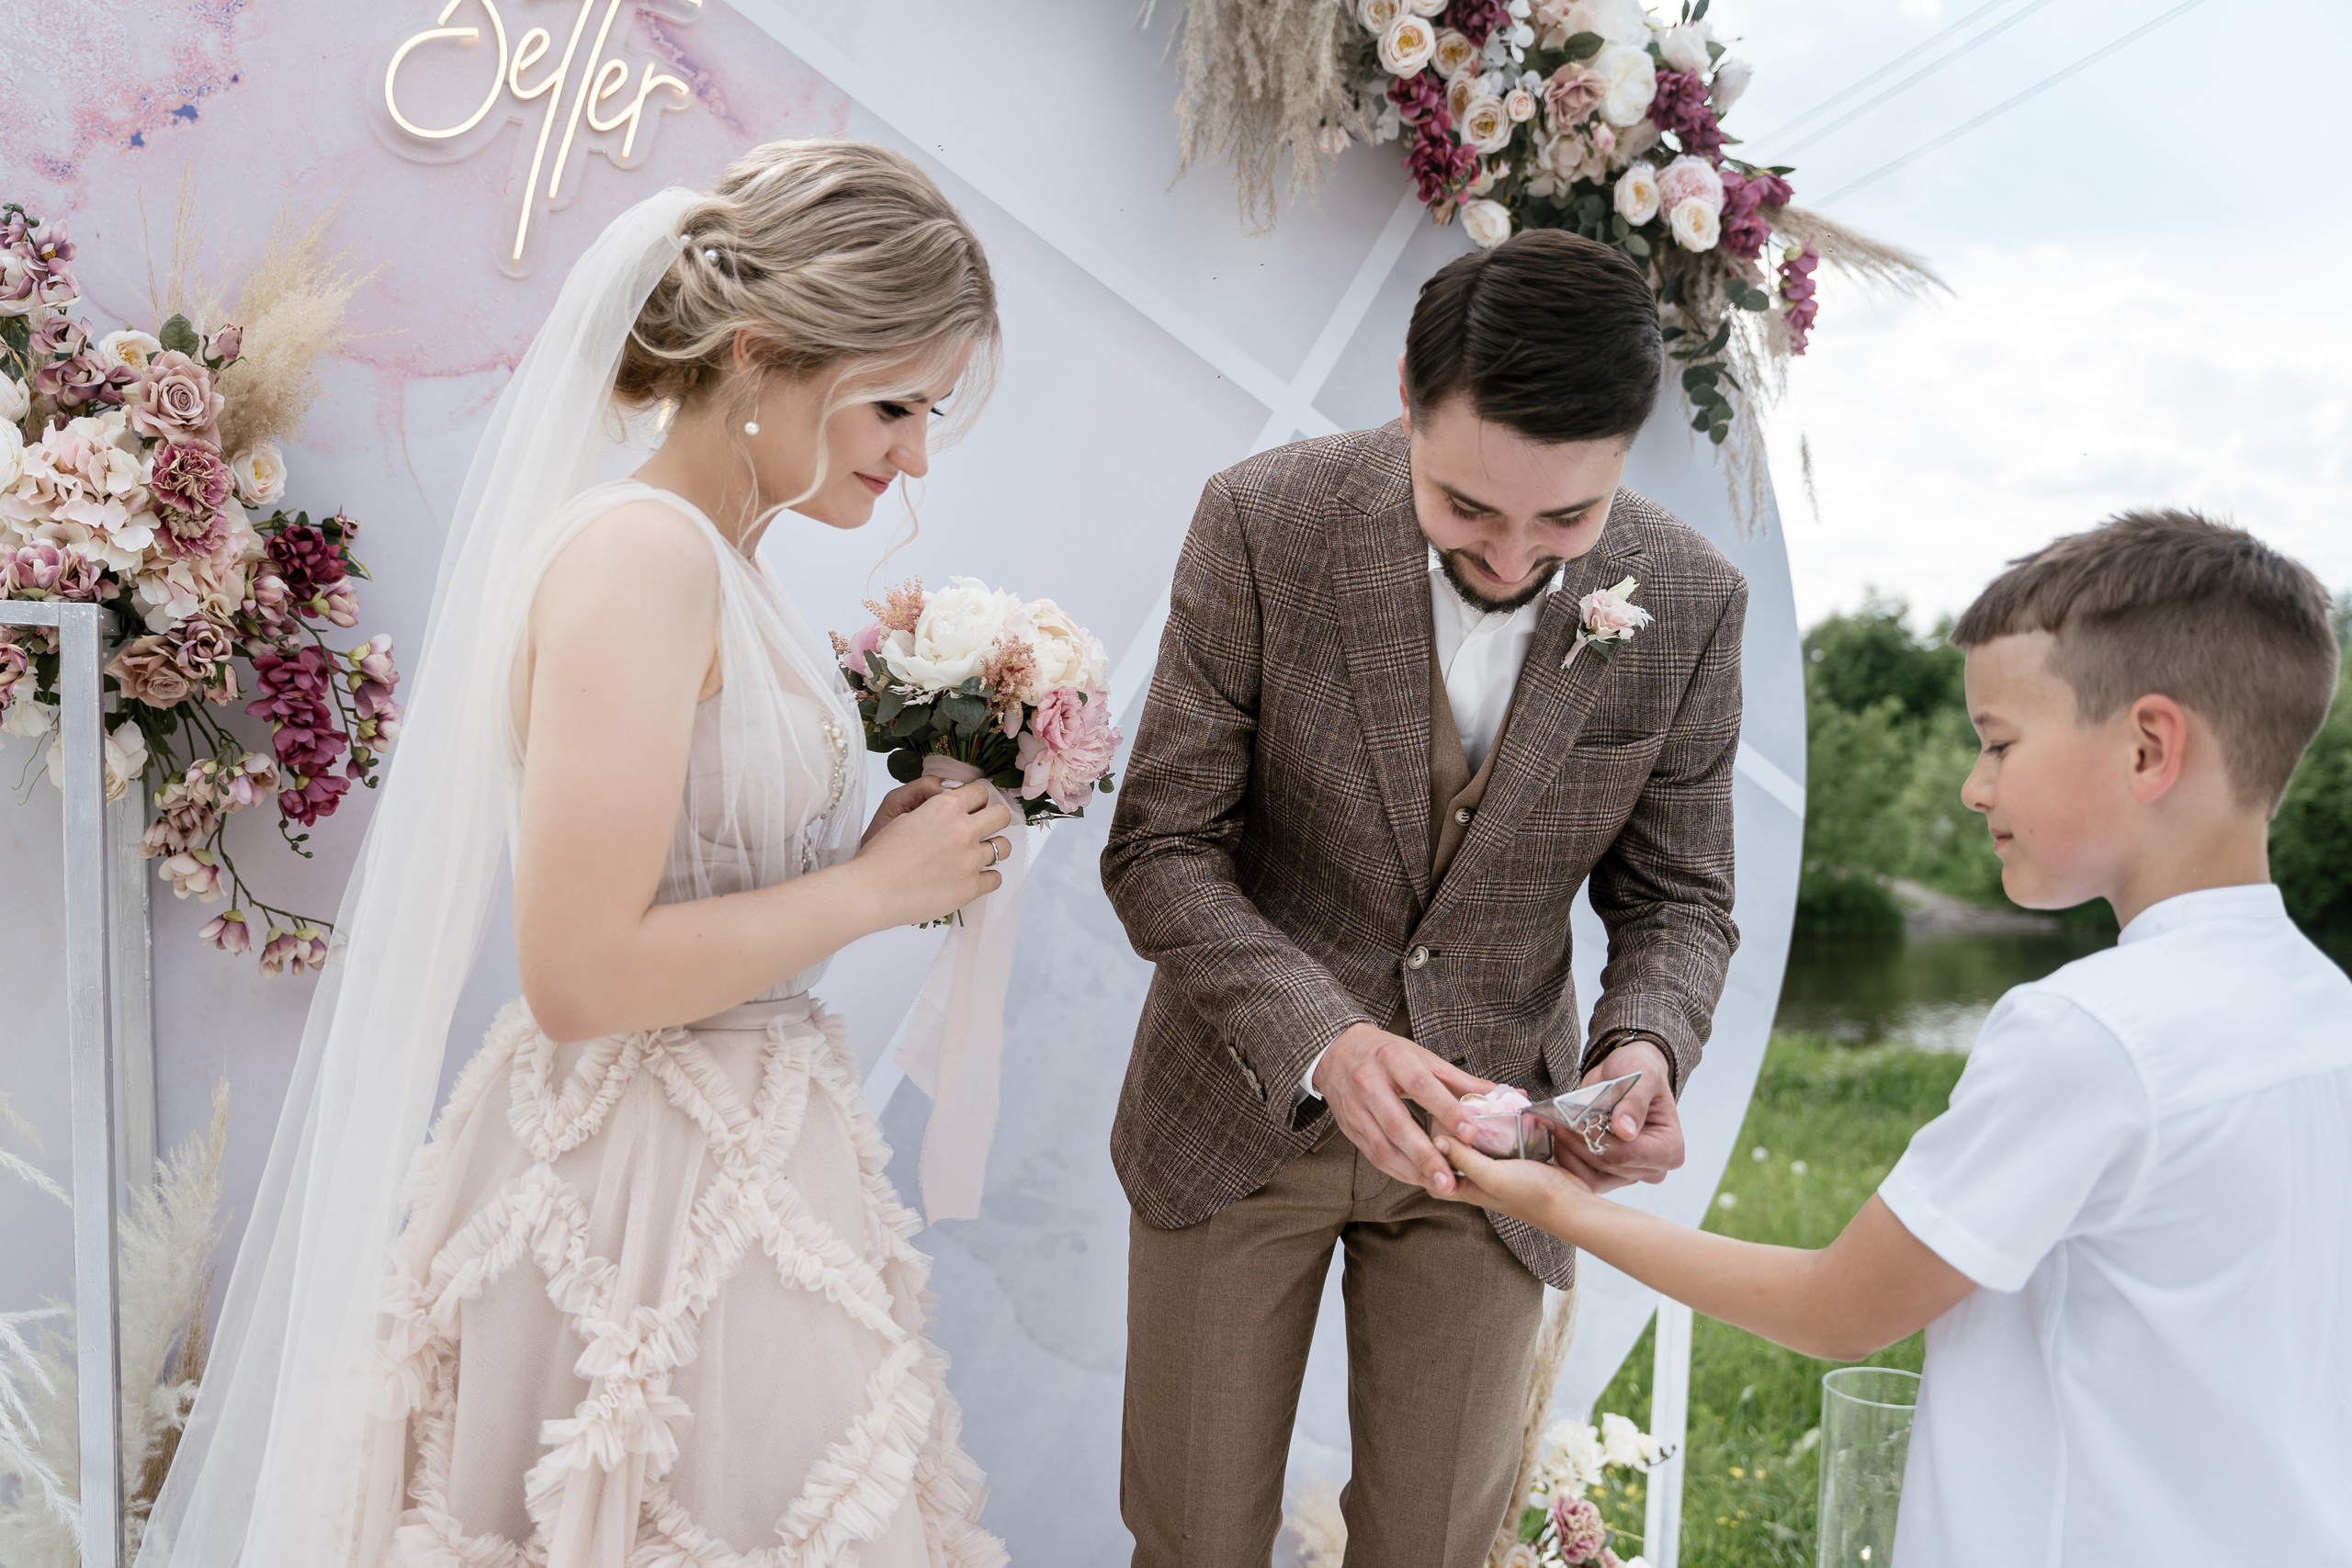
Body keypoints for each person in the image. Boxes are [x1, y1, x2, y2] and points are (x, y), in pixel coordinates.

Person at [141, 143, 1011, 1568]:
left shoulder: (729, 563)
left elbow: (697, 871)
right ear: (760, 351)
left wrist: (881, 852)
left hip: (743, 1156)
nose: (915, 455)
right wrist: (868, 893)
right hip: (632, 1178)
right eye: (897, 404)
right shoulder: (640, 557)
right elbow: (581, 969)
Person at [1436, 510, 2352, 1564]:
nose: (1973, 786)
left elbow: (1837, 1310)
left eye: (1998, 742)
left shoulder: (2090, 1035)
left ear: (2148, 747)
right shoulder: (2322, 1009)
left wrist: (1551, 1201)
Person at [1102, 230, 1748, 1568]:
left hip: (1502, 1148)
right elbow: (1161, 845)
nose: (1512, 559)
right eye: (1469, 507)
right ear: (1407, 393)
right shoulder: (1263, 521)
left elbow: (1680, 897)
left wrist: (1641, 1050)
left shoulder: (1692, 597)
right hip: (1235, 1109)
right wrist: (1326, 1042)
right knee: (1191, 1543)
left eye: (1565, 521)